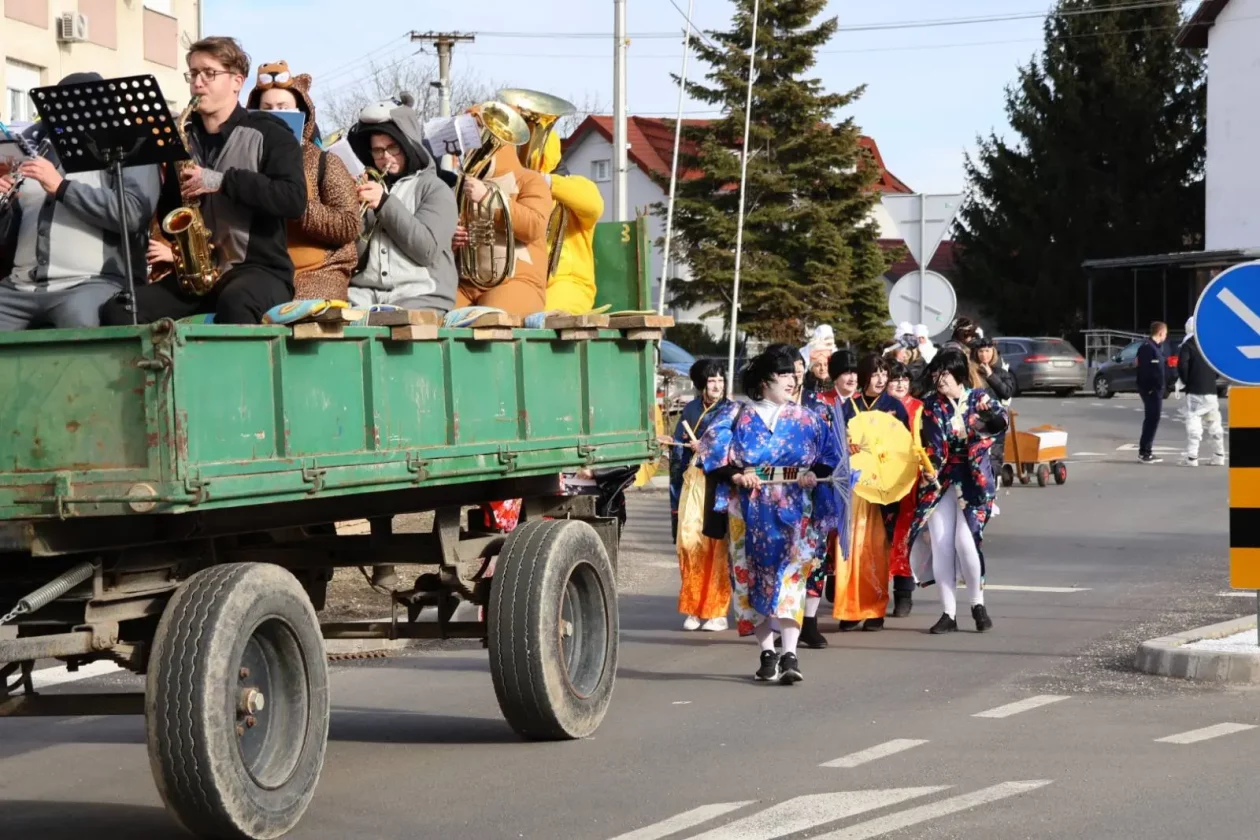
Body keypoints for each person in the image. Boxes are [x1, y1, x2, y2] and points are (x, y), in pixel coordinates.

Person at [101, 38, 306, 326]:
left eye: (209, 73)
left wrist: (220, 181)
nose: (198, 82)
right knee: (120, 311)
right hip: (200, 273)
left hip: (260, 271)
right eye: (193, 73)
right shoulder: (181, 137)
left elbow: (293, 199)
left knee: (236, 304)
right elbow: (172, 214)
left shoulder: (272, 133)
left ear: (237, 81)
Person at [700, 346, 841, 684]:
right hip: (748, 507)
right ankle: (767, 652)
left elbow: (828, 456)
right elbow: (710, 455)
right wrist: (736, 475)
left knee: (793, 576)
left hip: (795, 504)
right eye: (784, 375)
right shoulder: (735, 415)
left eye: (794, 374)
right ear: (764, 381)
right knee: (749, 578)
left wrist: (812, 473)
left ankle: (790, 653)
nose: (792, 381)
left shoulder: (808, 417)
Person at [0, 73, 161, 329]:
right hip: (19, 288)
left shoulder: (128, 150)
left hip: (92, 284)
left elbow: (133, 213)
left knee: (81, 328)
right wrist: (4, 207)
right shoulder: (38, 152)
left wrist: (62, 188)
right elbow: (8, 237)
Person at [908, 347, 1007, 635]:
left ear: (959, 374)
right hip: (940, 478)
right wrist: (928, 469)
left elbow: (1000, 423)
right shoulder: (930, 405)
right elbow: (931, 445)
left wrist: (980, 421)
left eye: (946, 374)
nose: (941, 380)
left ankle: (978, 603)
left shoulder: (979, 397)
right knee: (940, 543)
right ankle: (948, 612)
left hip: (973, 478)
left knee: (966, 541)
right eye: (937, 375)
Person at [245, 62, 361, 301]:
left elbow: (349, 225)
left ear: (302, 113)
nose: (275, 113)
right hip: (259, 271)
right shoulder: (242, 159)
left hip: (317, 273)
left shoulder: (325, 162)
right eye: (266, 108)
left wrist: (293, 202)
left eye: (283, 107)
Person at [347, 95, 458, 314]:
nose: (386, 157)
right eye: (377, 151)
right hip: (363, 297)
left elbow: (426, 249)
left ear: (408, 146)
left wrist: (384, 204)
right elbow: (354, 258)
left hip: (421, 296)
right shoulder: (368, 186)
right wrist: (352, 208)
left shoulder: (435, 188)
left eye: (393, 148)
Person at [834, 353, 911, 632]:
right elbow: (836, 442)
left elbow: (905, 448)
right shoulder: (848, 406)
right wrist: (848, 447)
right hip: (854, 488)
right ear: (865, 376)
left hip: (881, 488)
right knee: (850, 548)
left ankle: (876, 608)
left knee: (876, 549)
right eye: (875, 374)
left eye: (884, 374)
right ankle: (850, 609)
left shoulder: (894, 408)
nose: (881, 379)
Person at [453, 115, 553, 316]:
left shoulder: (529, 180)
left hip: (517, 281)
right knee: (434, 317)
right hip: (464, 284)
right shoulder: (458, 187)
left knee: (491, 319)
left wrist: (489, 199)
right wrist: (450, 239)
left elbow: (535, 226)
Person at [667, 359, 732, 631]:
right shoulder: (691, 409)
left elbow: (734, 447)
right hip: (692, 481)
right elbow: (680, 453)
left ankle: (717, 611)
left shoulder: (732, 411)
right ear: (701, 384)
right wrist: (675, 447)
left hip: (719, 481)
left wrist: (705, 447)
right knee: (688, 541)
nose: (717, 385)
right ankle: (693, 608)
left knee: (716, 546)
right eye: (712, 380)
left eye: (720, 380)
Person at [531, 132, 603, 314]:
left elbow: (593, 206)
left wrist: (547, 182)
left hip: (570, 284)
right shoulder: (514, 189)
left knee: (537, 314)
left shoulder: (576, 185)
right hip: (526, 283)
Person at [885, 362, 935, 618]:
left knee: (905, 536)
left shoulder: (919, 408)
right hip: (878, 478)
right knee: (879, 537)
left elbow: (928, 443)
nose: (901, 383)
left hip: (910, 481)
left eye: (905, 379)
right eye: (895, 379)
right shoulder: (876, 406)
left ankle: (903, 594)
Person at [1177, 317, 1226, 467]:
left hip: (1195, 390)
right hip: (1211, 390)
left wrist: (1186, 381)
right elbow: (1218, 366)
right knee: (1214, 423)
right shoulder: (1209, 345)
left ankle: (1192, 457)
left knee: (1193, 421)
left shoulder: (1188, 345)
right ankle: (1219, 455)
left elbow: (1182, 366)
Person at [972, 337, 1017, 479]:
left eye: (987, 351)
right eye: (981, 351)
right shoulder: (971, 373)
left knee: (995, 453)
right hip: (975, 420)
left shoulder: (1001, 372)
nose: (984, 354)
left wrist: (991, 375)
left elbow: (1006, 392)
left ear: (993, 352)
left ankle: (992, 479)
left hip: (995, 419)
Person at [1136, 321, 1168, 464]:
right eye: (1165, 333)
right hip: (1151, 390)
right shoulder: (1147, 348)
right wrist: (1149, 389)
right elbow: (1145, 371)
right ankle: (1145, 452)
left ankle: (1146, 450)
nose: (1166, 336)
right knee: (1151, 419)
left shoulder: (1156, 348)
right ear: (1160, 332)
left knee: (1153, 419)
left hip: (1156, 390)